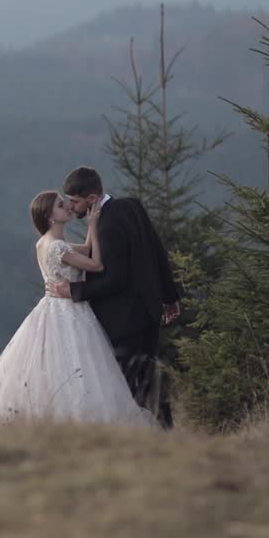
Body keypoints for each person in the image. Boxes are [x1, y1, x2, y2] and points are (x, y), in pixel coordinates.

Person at [0, 189, 155, 430]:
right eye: (61, 205)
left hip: (52, 309)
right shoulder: (57, 248)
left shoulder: (48, 243)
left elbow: (84, 249)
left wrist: (91, 228)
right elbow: (95, 264)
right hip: (69, 312)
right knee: (76, 365)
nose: (68, 207)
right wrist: (93, 225)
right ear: (50, 217)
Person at [46, 166, 181, 428]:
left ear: (93, 199)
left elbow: (114, 280)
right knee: (147, 376)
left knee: (133, 384)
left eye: (75, 201)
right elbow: (156, 250)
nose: (71, 207)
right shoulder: (131, 207)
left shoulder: (107, 228)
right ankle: (164, 430)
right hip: (148, 313)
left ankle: (162, 433)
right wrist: (170, 296)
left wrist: (72, 291)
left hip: (125, 321)